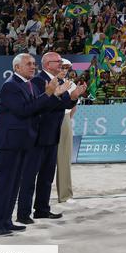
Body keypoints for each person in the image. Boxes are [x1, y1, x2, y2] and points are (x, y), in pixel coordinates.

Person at [0, 54, 76, 236]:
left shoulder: (27, 84)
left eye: (34, 64)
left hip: (22, 142)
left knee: (14, 184)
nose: (33, 67)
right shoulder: (10, 86)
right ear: (17, 68)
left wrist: (54, 95)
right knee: (4, 184)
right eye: (29, 64)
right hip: (9, 143)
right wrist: (49, 93)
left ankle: (6, 221)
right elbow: (24, 111)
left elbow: (37, 107)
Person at [16, 51, 86, 225]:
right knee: (30, 176)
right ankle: (24, 213)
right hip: (38, 135)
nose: (61, 64)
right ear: (48, 64)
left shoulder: (60, 81)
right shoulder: (37, 81)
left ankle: (42, 209)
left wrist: (73, 97)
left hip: (53, 134)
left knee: (47, 175)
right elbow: (40, 106)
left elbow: (62, 105)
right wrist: (54, 94)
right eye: (58, 61)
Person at [57, 59, 77, 204]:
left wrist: (66, 120)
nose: (64, 70)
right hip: (46, 119)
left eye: (66, 68)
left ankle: (65, 195)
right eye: (62, 67)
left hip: (64, 118)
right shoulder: (46, 82)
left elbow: (74, 106)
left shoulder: (71, 85)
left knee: (64, 159)